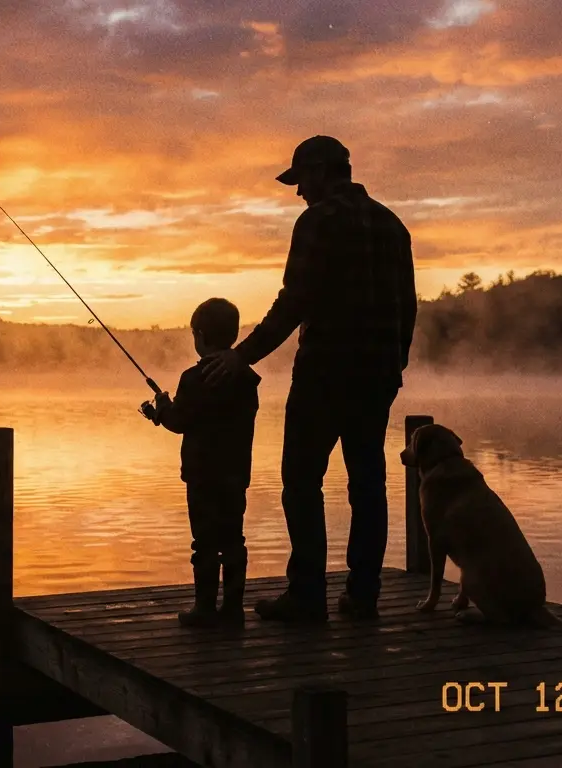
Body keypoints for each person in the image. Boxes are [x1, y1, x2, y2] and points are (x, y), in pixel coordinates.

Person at [201, 135, 417, 623]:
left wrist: (243, 356)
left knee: (301, 482)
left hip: (324, 374)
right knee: (368, 484)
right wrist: (395, 365)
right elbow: (408, 305)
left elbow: (293, 301)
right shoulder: (392, 225)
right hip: (377, 378)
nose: (298, 192)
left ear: (322, 171)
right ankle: (363, 596)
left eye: (301, 181)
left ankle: (307, 596)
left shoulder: (317, 221)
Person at [140, 298, 262, 628]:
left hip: (203, 477)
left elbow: (181, 420)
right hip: (236, 475)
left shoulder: (193, 378)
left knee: (205, 542)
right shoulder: (246, 380)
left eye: (194, 332)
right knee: (234, 540)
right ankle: (233, 609)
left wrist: (162, 407)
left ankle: (205, 608)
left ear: (202, 335)